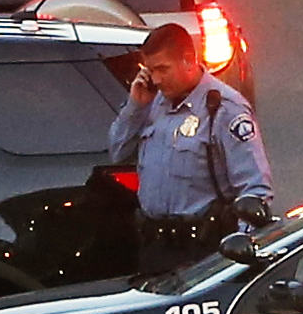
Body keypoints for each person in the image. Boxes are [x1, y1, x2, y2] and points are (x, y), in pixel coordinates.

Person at [108, 20, 272, 269]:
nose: (156, 79)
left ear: (188, 59)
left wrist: (243, 249)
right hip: (155, 246)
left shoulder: (224, 108)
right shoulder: (152, 102)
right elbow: (118, 153)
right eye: (150, 70)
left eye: (163, 69)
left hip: (201, 250)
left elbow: (255, 188)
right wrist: (136, 106)